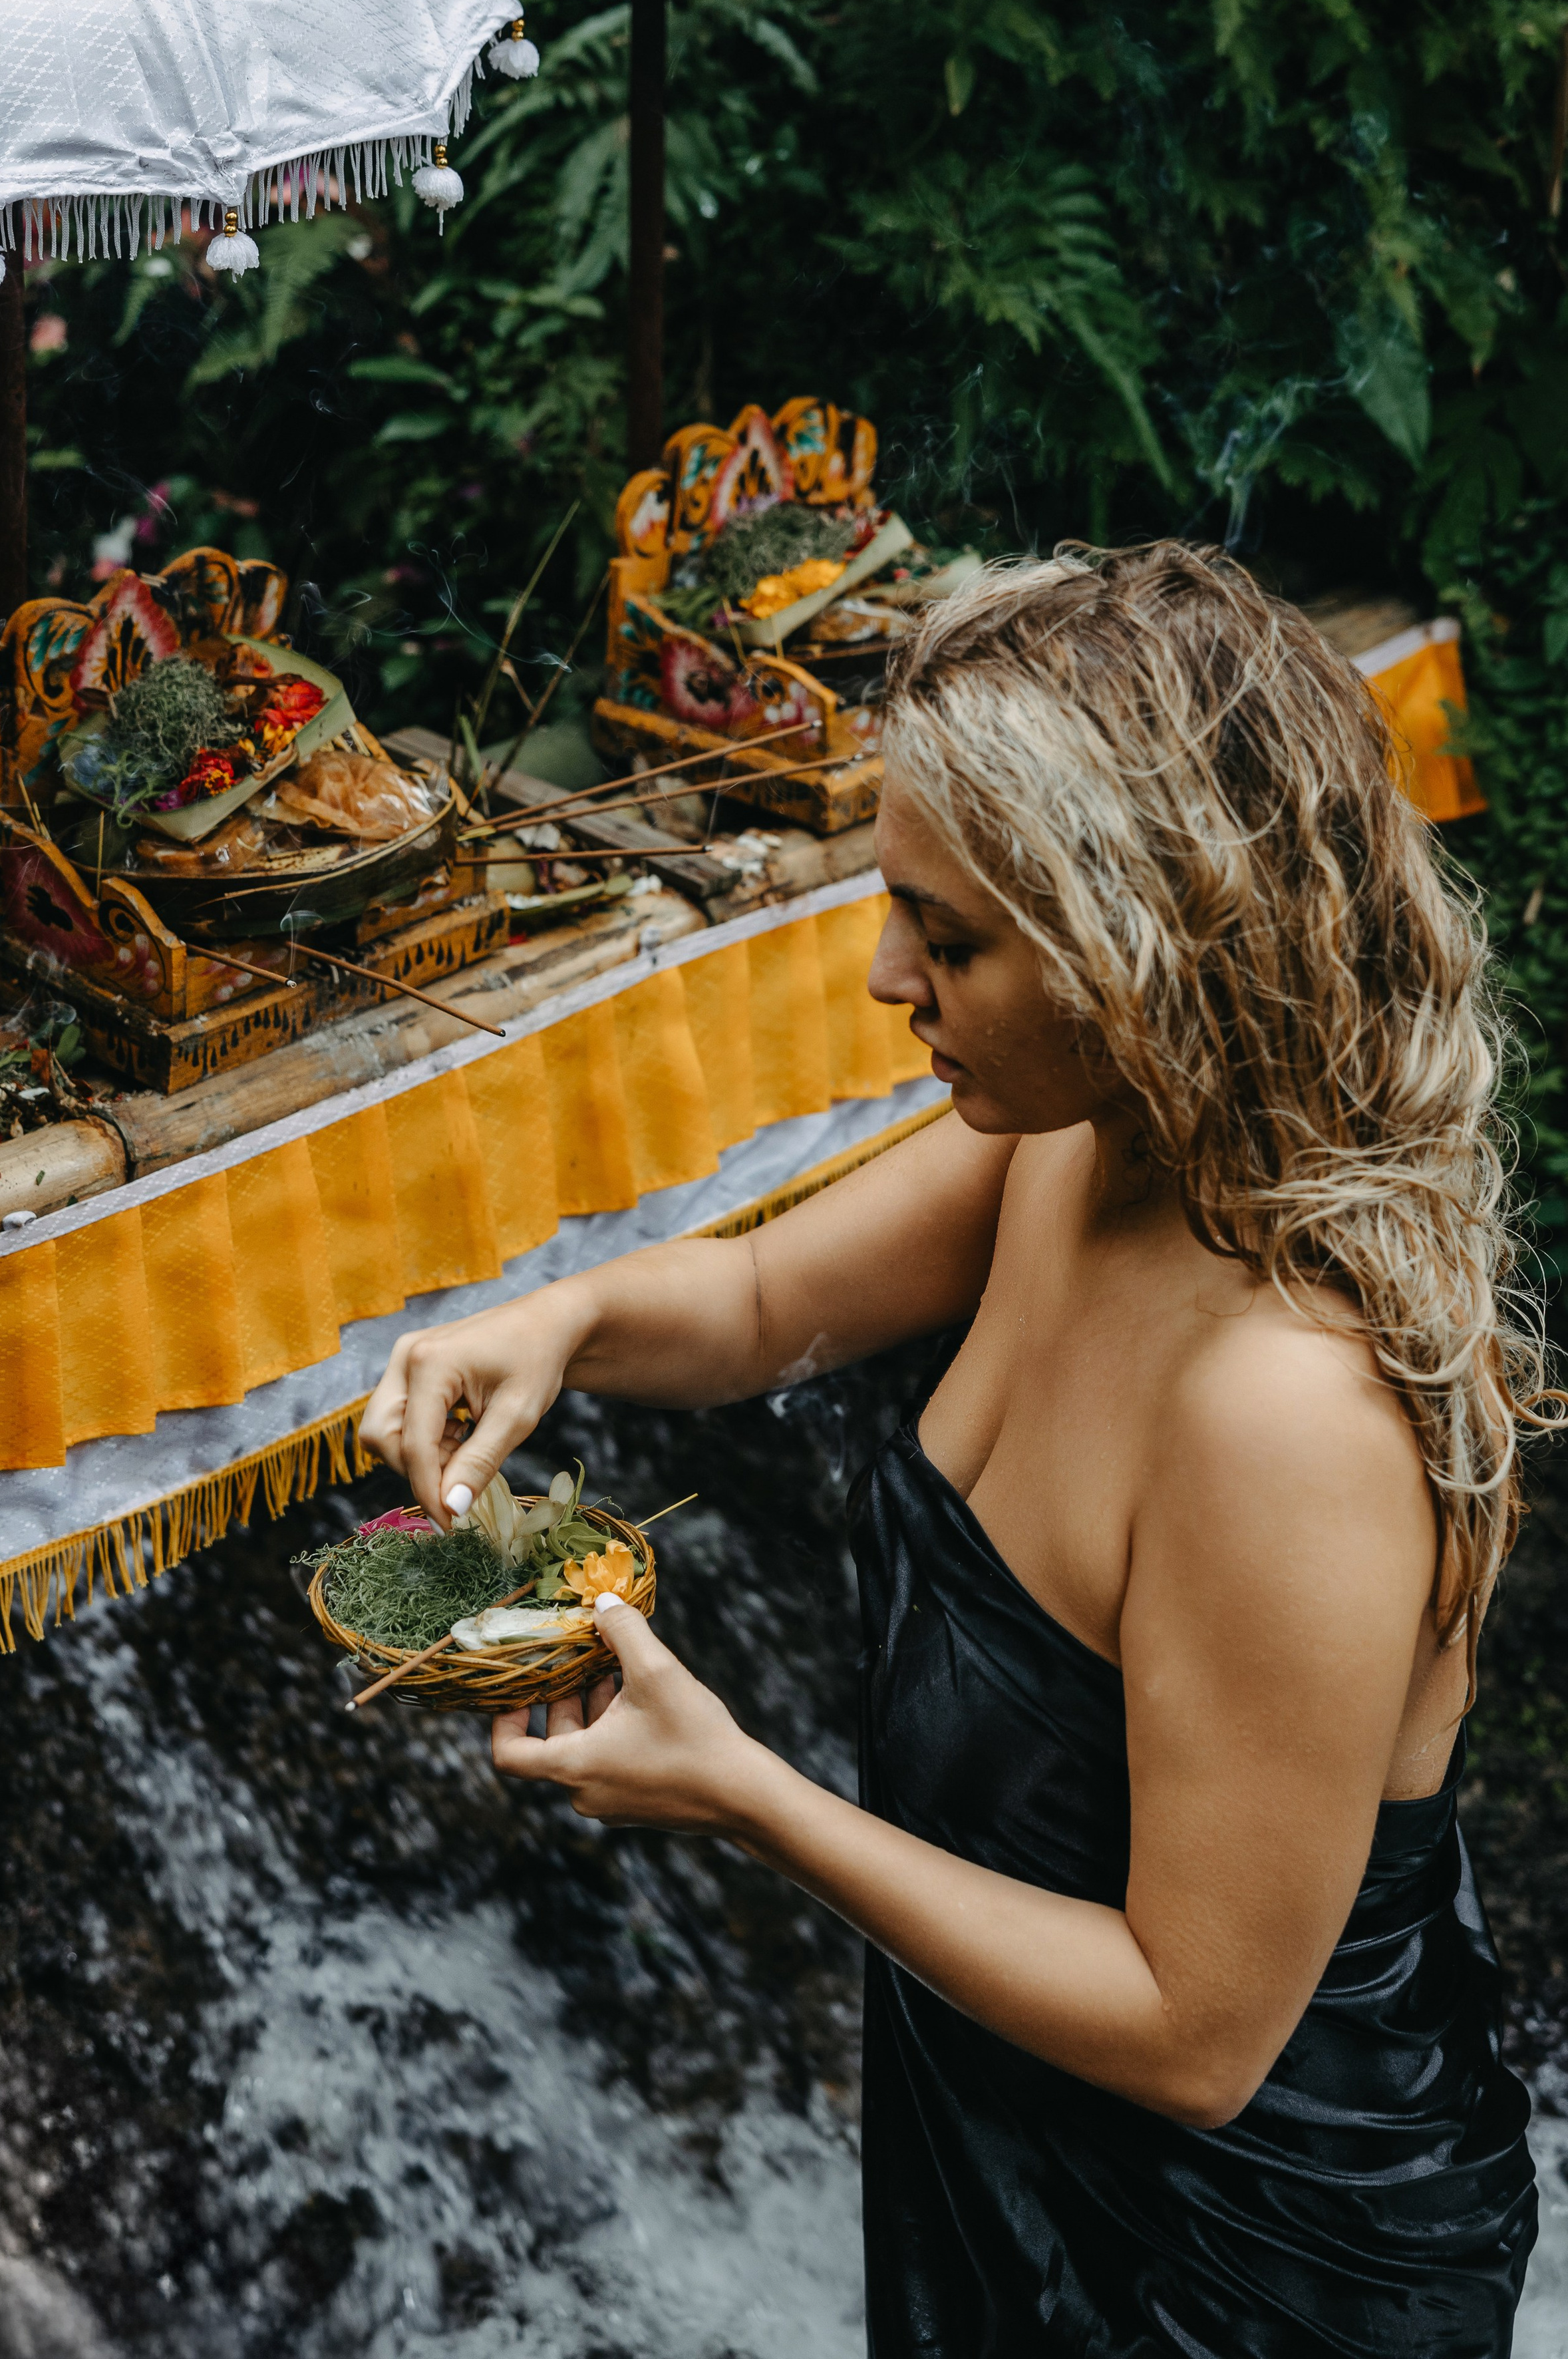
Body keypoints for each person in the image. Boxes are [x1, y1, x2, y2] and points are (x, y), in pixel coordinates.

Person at [360, 543, 1545, 2356]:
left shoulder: (1282, 1411)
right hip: (1010, 2134)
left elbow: (1197, 2037)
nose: (885, 976)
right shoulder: (1081, 1142)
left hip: (1252, 2263)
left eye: (955, 935)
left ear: (1141, 945)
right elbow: (765, 1303)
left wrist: (745, 1791)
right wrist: (560, 1322)